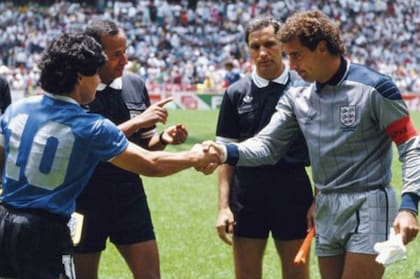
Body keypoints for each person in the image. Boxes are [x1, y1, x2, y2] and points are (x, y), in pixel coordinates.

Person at [208, 10, 419, 279]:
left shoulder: (376, 88)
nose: (292, 65)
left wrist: (409, 206)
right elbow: (267, 144)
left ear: (321, 48)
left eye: (296, 55)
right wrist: (225, 151)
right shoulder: (296, 96)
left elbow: (411, 146)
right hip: (326, 207)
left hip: (370, 200)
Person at [0, 32, 219, 279]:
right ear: (81, 77)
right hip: (46, 232)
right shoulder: (90, 126)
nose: (98, 80)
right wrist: (194, 156)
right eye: (95, 73)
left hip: (5, 222)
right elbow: (150, 164)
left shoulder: (17, 109)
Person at [73, 19, 188, 279]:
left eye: (125, 51)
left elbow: (145, 143)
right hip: (84, 198)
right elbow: (90, 145)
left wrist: (166, 138)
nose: (124, 59)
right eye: (116, 54)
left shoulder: (135, 84)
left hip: (129, 195)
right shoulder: (77, 90)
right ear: (94, 54)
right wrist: (138, 121)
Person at [215, 17, 313, 279]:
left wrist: (320, 197)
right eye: (254, 46)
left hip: (293, 192)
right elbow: (226, 154)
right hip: (247, 194)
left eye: (269, 44)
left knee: (297, 273)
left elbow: (324, 151)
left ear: (282, 45)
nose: (262, 53)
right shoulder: (236, 92)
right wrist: (223, 206)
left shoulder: (305, 88)